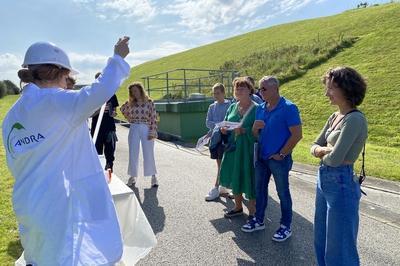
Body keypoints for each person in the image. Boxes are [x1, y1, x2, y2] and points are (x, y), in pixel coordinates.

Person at [2, 37, 130, 265]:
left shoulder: (12, 116)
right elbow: (101, 90)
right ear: (57, 72)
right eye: (67, 77)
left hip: (27, 201)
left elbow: (17, 161)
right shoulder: (59, 102)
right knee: (62, 257)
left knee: (39, 255)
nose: (68, 83)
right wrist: (118, 57)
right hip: (57, 204)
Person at [311, 67, 367, 266]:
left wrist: (322, 151)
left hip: (341, 183)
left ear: (346, 88)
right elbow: (313, 146)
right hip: (324, 180)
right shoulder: (334, 117)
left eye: (332, 87)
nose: (327, 92)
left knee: (340, 247)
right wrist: (324, 150)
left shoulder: (355, 119)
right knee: (321, 239)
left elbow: (335, 160)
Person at [241, 76, 302, 243]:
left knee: (283, 193)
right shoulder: (260, 108)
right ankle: (258, 220)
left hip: (278, 159)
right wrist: (254, 129)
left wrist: (282, 154)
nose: (260, 92)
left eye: (264, 89)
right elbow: (256, 135)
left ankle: (285, 226)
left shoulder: (289, 108)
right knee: (259, 190)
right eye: (259, 89)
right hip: (261, 156)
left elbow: (297, 135)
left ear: (276, 89)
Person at [219, 77, 257, 219]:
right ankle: (238, 207)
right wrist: (224, 129)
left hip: (247, 150)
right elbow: (227, 123)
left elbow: (261, 131)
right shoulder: (232, 107)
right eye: (237, 88)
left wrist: (245, 131)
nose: (239, 90)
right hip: (233, 149)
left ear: (250, 90)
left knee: (248, 177)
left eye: (243, 88)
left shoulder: (257, 109)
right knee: (235, 176)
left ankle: (253, 211)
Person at [120, 82, 158, 187]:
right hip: (134, 127)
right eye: (132, 92)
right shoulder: (131, 102)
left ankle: (153, 177)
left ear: (141, 90)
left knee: (149, 152)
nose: (134, 93)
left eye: (136, 91)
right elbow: (122, 109)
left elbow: (153, 118)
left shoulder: (149, 102)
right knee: (133, 152)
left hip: (146, 127)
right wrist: (129, 118)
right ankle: (132, 176)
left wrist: (152, 131)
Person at [204, 83, 231, 201]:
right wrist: (218, 125)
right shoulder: (211, 107)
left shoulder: (230, 105)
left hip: (226, 138)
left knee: (224, 164)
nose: (215, 95)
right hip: (215, 139)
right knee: (220, 164)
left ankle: (217, 187)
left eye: (218, 93)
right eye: (214, 93)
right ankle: (222, 187)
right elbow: (207, 122)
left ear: (223, 93)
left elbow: (229, 121)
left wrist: (219, 125)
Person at [90, 72, 119, 172]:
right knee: (96, 152)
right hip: (96, 128)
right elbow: (89, 114)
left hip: (110, 128)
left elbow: (115, 112)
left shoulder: (112, 95)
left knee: (110, 152)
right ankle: (98, 173)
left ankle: (110, 171)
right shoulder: (92, 95)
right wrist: (100, 110)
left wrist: (113, 113)